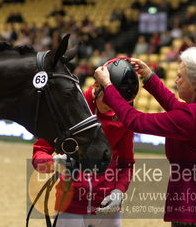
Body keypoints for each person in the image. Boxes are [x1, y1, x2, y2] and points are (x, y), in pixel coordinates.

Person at [95, 47, 196, 226]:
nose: (176, 81)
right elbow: (175, 106)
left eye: (180, 77)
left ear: (195, 84)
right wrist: (149, 77)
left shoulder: (191, 117)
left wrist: (108, 87)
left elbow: (135, 121)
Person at [32, 57, 138, 227]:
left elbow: (127, 163)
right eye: (109, 100)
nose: (114, 107)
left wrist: (119, 191)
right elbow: (38, 155)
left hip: (107, 206)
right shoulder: (68, 107)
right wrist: (53, 163)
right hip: (70, 204)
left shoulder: (124, 116)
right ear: (97, 86)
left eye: (118, 103)